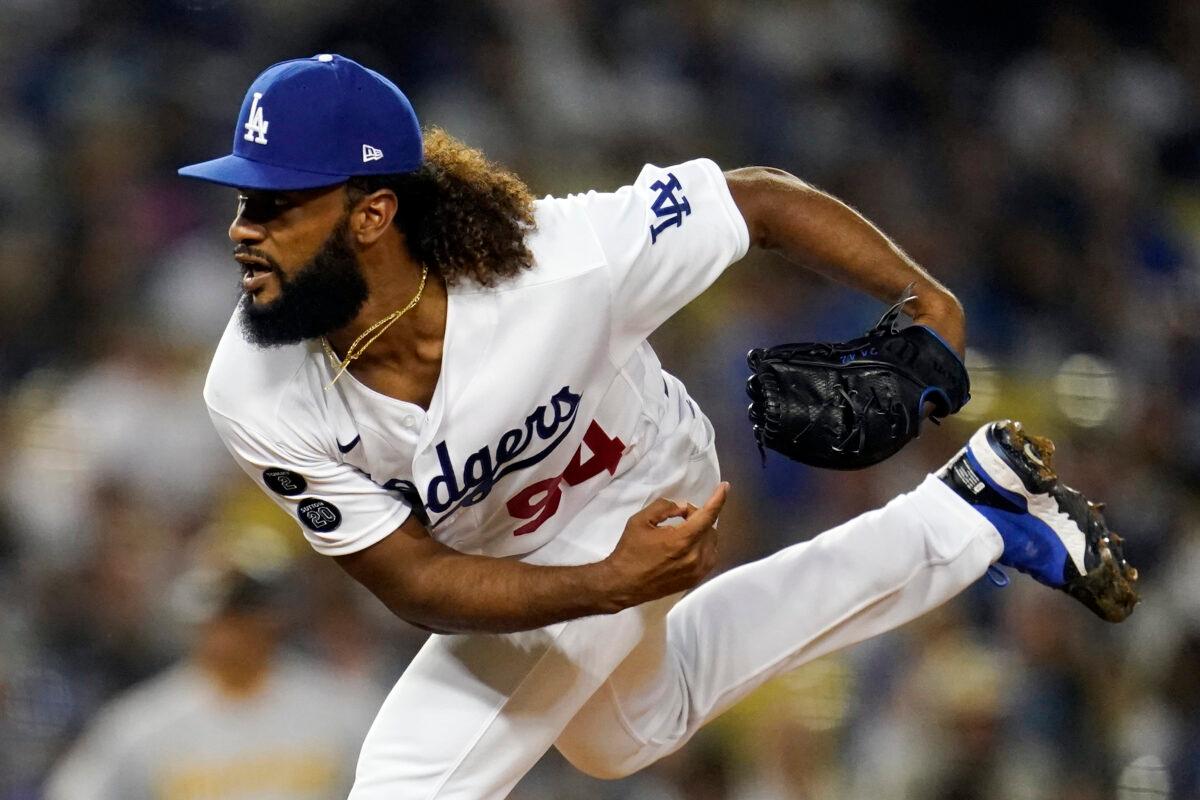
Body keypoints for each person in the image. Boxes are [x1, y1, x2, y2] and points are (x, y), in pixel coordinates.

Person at [178, 54, 1135, 799]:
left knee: (411, 774)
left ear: (373, 213)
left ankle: (964, 519)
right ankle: (970, 516)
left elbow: (753, 200)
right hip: (518, 555)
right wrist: (603, 587)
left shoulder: (558, 266)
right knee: (626, 733)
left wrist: (929, 302)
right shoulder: (255, 390)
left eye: (277, 201)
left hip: (639, 484)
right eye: (240, 197)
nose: (241, 227)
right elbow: (417, 581)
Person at [44, 541, 381, 800]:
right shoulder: (142, 723)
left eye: (241, 614)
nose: (229, 631)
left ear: (272, 618)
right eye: (222, 617)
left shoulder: (345, 708)